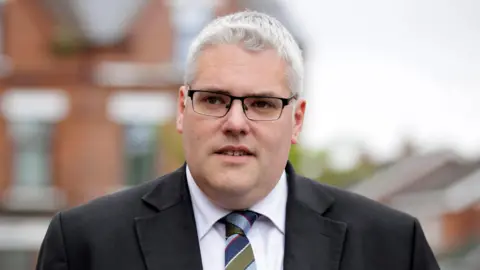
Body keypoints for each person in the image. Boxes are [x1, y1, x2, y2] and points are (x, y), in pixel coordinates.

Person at [36, 10, 440, 270]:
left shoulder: (390, 247)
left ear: (296, 120)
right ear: (182, 109)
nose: (235, 123)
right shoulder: (85, 246)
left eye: (262, 104)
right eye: (213, 99)